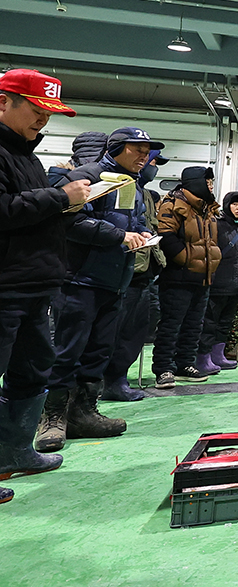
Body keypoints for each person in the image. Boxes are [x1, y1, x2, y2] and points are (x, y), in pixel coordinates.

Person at [37, 127, 160, 450]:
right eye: (137, 149)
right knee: (67, 351)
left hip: (115, 282)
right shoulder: (87, 177)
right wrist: (119, 236)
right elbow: (69, 222)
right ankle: (52, 418)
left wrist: (141, 233)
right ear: (117, 148)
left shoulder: (131, 184)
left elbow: (131, 221)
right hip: (80, 281)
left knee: (98, 351)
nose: (144, 156)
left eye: (147, 151)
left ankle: (84, 413)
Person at [0, 69, 87, 502]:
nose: (43, 120)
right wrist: (60, 197)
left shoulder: (27, 157)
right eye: (36, 110)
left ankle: (13, 452)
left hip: (34, 284)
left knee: (33, 370)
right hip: (5, 286)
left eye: (49, 114)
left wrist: (64, 206)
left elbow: (27, 212)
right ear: (4, 102)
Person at [101, 150, 168, 402]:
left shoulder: (144, 192)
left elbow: (141, 223)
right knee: (112, 331)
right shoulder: (116, 184)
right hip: (121, 270)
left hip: (143, 269)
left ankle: (118, 379)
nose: (153, 167)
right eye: (153, 161)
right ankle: (103, 382)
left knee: (135, 331)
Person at [152, 166, 221, 389]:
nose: (211, 186)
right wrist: (186, 259)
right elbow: (165, 235)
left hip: (203, 277)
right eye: (207, 181)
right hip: (177, 277)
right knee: (171, 324)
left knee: (194, 324)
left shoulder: (208, 208)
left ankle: (185, 364)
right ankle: (163, 368)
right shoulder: (173, 204)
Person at [198, 191, 238, 373]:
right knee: (209, 322)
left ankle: (218, 355)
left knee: (226, 323)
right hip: (217, 284)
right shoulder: (216, 224)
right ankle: (203, 357)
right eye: (235, 204)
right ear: (227, 205)